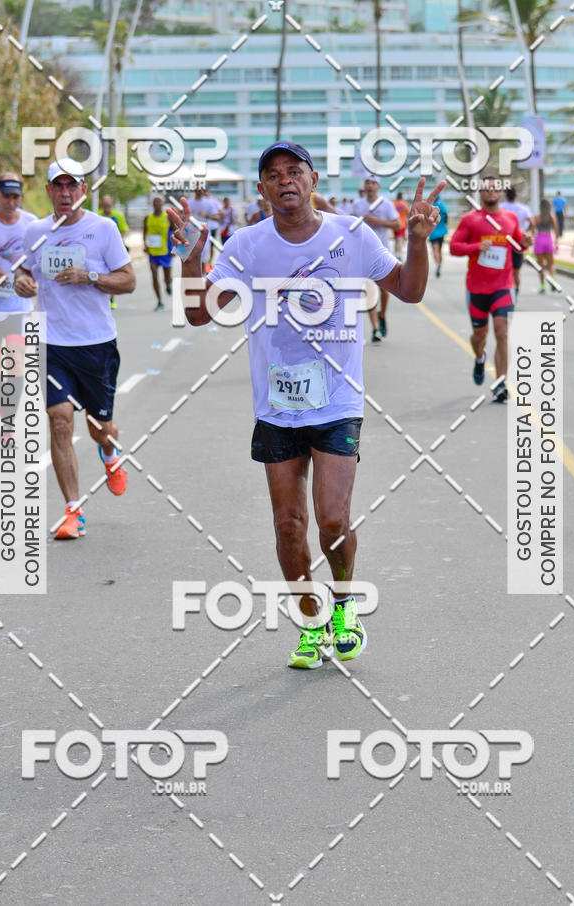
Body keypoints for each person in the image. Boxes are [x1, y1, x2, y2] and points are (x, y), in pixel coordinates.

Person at [169, 141, 444, 669]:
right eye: (272, 174)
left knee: (332, 520)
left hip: (338, 400)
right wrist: (193, 259)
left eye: (294, 171)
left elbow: (409, 290)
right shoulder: (246, 245)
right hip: (277, 407)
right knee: (289, 528)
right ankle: (311, 623)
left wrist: (417, 240)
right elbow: (200, 315)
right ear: (262, 189)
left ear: (313, 180)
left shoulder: (353, 235)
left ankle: (343, 604)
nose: (284, 180)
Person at [15, 158, 136, 539]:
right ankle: (73, 511)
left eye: (73, 187)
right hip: (53, 342)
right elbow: (24, 269)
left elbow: (129, 280)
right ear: (49, 191)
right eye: (58, 187)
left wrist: (91, 276)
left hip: (96, 343)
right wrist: (21, 281)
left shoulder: (103, 229)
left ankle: (109, 452)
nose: (65, 194)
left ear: (83, 191)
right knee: (59, 419)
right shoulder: (35, 231)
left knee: (100, 427)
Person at [449, 175, 530, 402]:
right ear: (481, 193)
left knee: (502, 331)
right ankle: (479, 357)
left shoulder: (511, 218)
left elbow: (517, 244)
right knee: (479, 336)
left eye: (495, 188)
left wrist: (525, 242)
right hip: (477, 288)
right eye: (487, 189)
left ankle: (501, 383)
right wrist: (477, 246)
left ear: (501, 192)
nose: (492, 192)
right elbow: (455, 247)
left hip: (503, 286)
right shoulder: (470, 220)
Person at [0, 172, 37, 412]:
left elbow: (39, 261)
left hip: (17, 307)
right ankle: (5, 392)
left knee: (17, 363)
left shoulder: (31, 224)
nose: (11, 203)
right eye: (6, 197)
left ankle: (9, 416)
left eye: (16, 197)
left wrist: (30, 280)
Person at [352, 175, 401, 341]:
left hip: (383, 252)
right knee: (370, 290)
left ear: (378, 186)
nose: (370, 186)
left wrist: (379, 222)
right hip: (363, 254)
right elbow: (349, 226)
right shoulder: (358, 205)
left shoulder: (386, 204)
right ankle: (375, 328)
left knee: (384, 291)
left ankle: (382, 314)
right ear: (364, 186)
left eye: (373, 183)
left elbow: (398, 225)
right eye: (367, 182)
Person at [500, 186, 534, 297]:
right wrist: (528, 233)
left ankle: (506, 292)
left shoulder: (501, 208)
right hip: (518, 242)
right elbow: (532, 223)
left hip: (503, 243)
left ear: (505, 195)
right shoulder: (523, 208)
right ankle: (516, 291)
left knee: (504, 271)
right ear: (516, 195)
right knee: (516, 272)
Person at [98, 194, 129, 309]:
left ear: (111, 204)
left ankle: (111, 300)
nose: (106, 207)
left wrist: (118, 241)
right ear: (102, 205)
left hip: (113, 250)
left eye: (108, 205)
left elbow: (125, 230)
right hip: (100, 250)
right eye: (104, 205)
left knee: (113, 274)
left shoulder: (118, 216)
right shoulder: (97, 215)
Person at [143, 196, 172, 310]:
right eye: (155, 202)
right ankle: (159, 301)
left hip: (165, 251)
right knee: (154, 276)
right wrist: (144, 244)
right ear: (152, 204)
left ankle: (168, 284)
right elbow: (144, 231)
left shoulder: (168, 217)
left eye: (159, 202)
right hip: (153, 252)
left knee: (167, 277)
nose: (157, 204)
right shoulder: (147, 218)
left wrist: (175, 248)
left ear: (162, 204)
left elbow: (175, 232)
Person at [533, 198, 560, 294]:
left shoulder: (537, 217)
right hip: (548, 239)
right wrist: (556, 242)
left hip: (539, 239)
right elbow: (556, 231)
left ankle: (543, 286)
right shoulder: (551, 217)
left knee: (540, 266)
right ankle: (552, 282)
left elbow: (532, 230)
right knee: (551, 264)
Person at [428, 193, 447, 277]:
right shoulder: (442, 205)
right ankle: (440, 264)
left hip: (433, 232)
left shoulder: (431, 206)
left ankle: (437, 263)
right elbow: (446, 215)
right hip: (442, 231)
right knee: (440, 250)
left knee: (435, 250)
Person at [393, 192, 408, 259]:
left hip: (395, 224)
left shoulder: (394, 204)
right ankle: (398, 255)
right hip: (402, 224)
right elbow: (408, 214)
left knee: (396, 240)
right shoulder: (404, 204)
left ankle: (396, 254)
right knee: (400, 240)